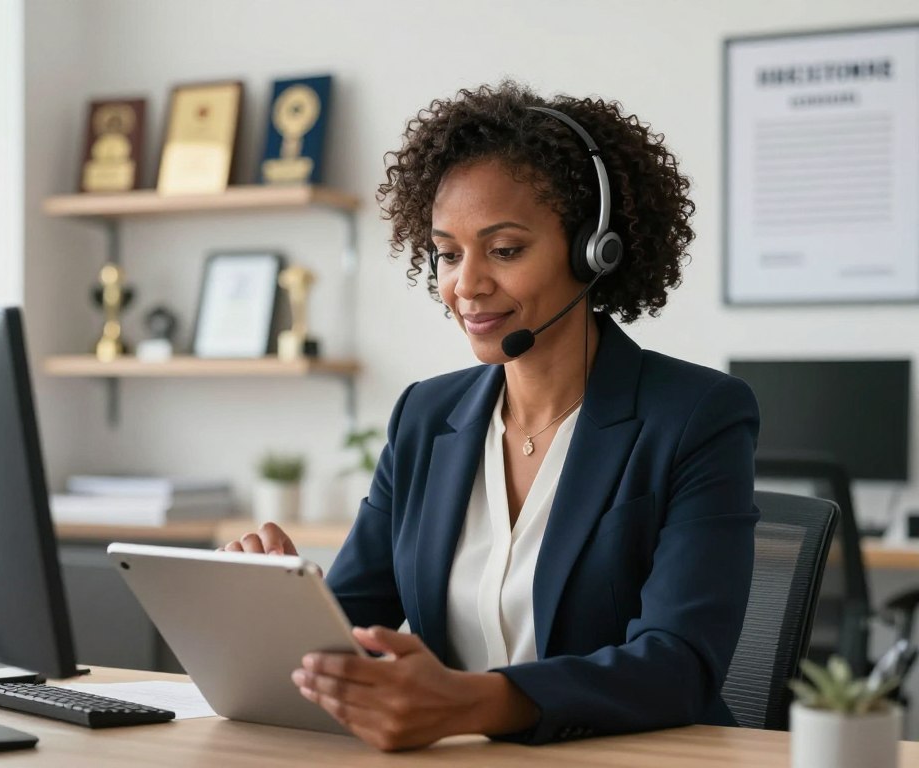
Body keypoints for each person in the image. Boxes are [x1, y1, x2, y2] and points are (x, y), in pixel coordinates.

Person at [223, 81, 759, 751]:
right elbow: (357, 624)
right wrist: (281, 610)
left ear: (594, 250)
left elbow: (679, 665)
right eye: (448, 254)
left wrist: (471, 703)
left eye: (504, 250)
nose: (466, 285)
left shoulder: (695, 416)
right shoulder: (427, 416)